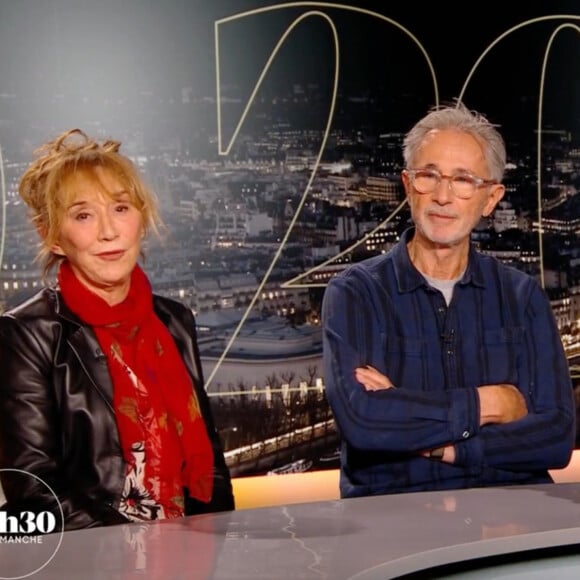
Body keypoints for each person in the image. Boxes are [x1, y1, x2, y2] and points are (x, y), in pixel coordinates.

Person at [322, 102, 575, 499]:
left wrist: (443, 445)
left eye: (463, 181)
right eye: (429, 176)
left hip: (509, 522)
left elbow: (556, 437)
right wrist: (491, 402)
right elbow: (364, 421)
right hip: (395, 526)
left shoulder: (522, 296)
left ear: (490, 199)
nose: (442, 196)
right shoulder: (356, 293)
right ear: (408, 186)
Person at [0, 129, 235, 530]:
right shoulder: (28, 334)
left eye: (121, 209)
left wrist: (212, 546)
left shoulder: (174, 321)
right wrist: (128, 552)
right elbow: (33, 490)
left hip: (190, 553)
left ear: (142, 219)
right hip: (95, 561)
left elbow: (209, 461)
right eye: (83, 215)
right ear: (53, 235)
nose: (108, 231)